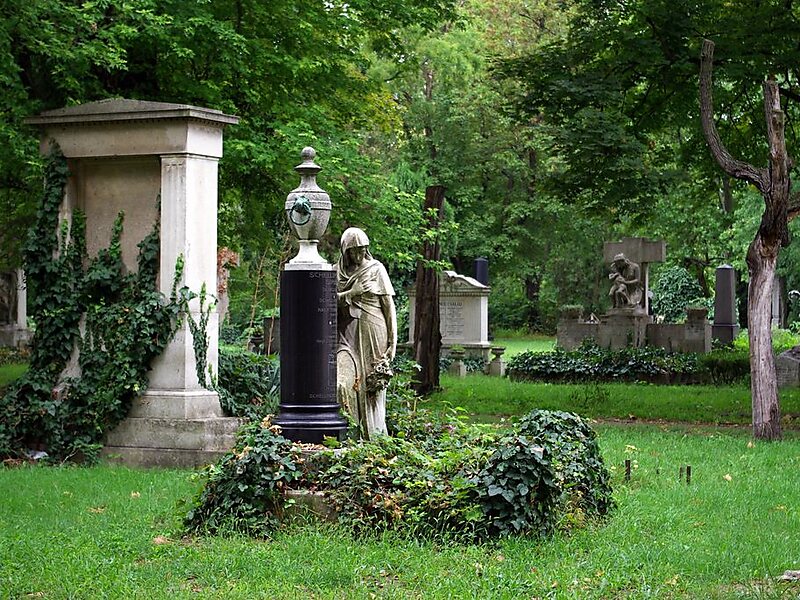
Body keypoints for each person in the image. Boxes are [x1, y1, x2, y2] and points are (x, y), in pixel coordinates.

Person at [336, 227, 397, 438]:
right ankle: (351, 435)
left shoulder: (376, 269)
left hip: (374, 331)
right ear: (346, 251)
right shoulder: (337, 272)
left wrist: (393, 341)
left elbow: (388, 306)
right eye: (355, 250)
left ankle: (374, 437)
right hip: (347, 336)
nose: (360, 254)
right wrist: (351, 293)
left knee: (373, 386)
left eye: (363, 249)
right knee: (342, 383)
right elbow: (326, 303)